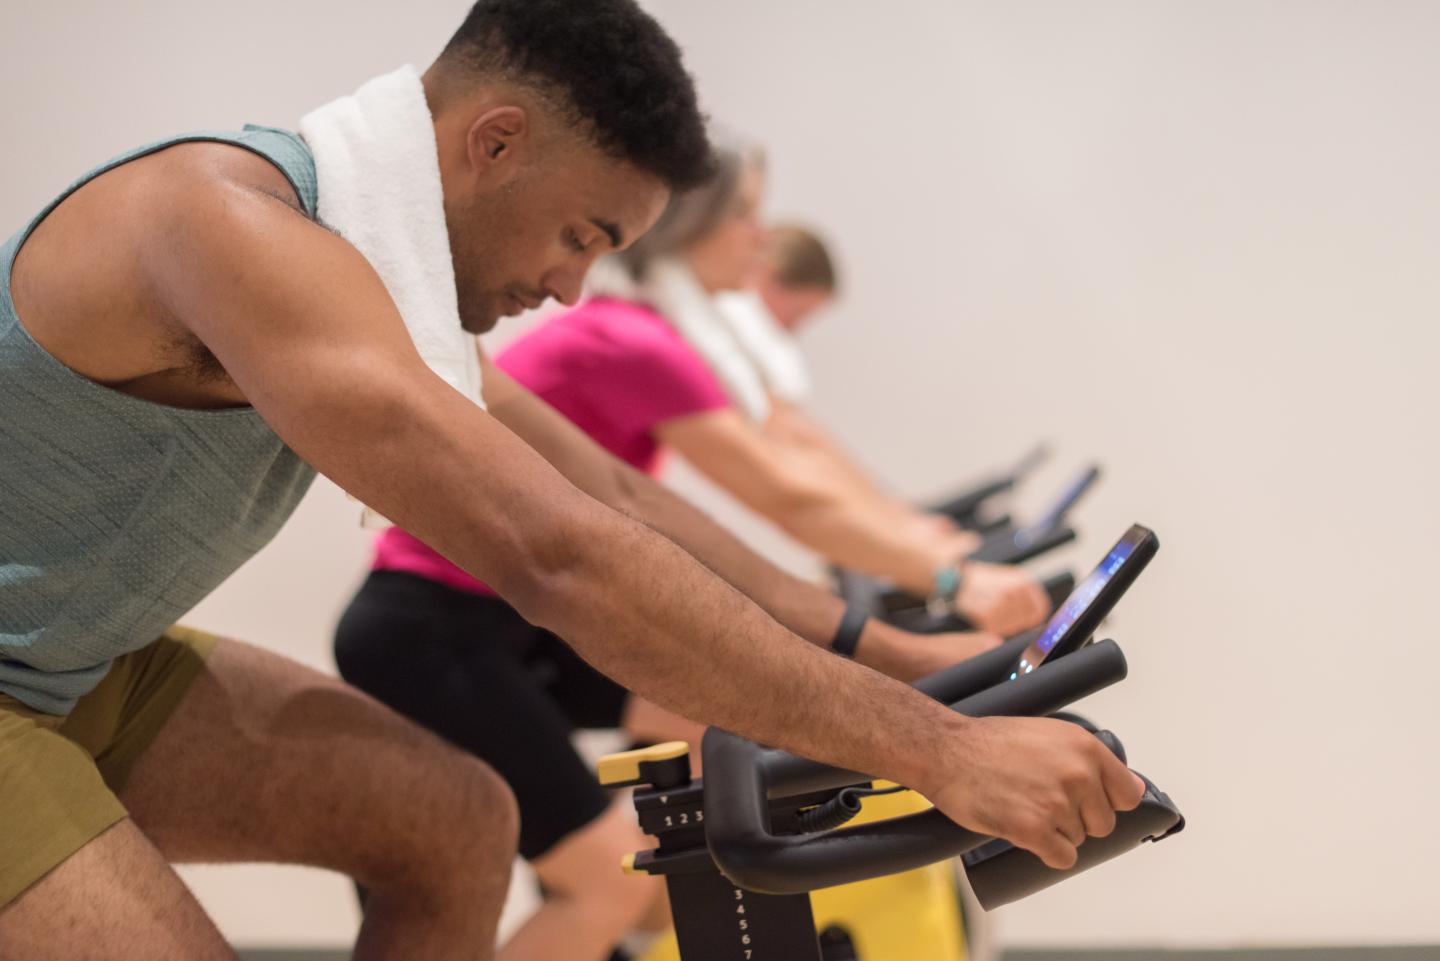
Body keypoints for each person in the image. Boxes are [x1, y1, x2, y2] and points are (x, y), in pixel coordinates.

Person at [0, 2, 1146, 959]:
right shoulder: (227, 227)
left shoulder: (365, 288)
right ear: (492, 145)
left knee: (455, 819)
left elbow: (619, 498)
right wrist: (939, 751)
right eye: (580, 234)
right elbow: (558, 554)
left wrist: (914, 665)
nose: (571, 289)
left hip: (85, 663)